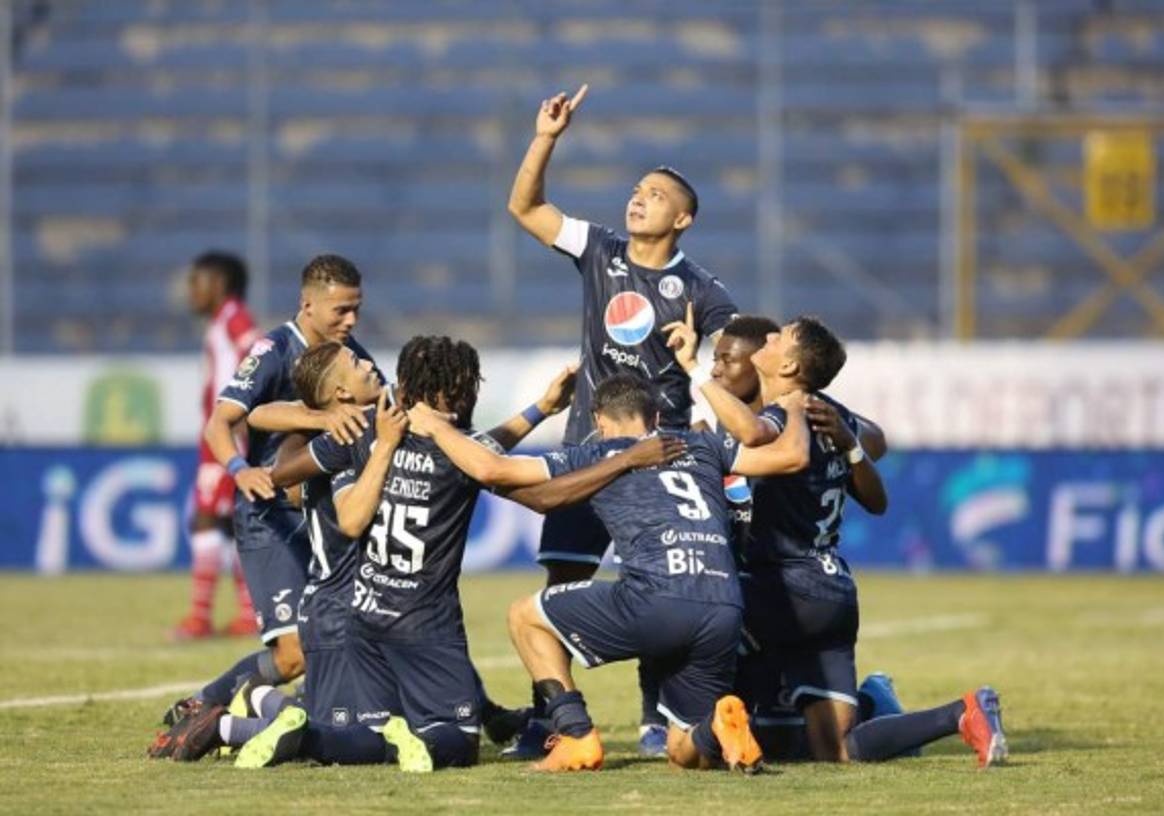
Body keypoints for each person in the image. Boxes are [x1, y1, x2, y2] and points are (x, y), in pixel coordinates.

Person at [220, 337, 685, 771]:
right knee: (458, 741)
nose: (472, 394)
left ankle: (296, 735)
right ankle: (266, 717)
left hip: (363, 616)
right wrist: (625, 459)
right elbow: (535, 491)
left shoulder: (365, 430)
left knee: (365, 733)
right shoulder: (458, 453)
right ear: (450, 393)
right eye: (467, 386)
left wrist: (541, 408)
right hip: (424, 624)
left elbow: (284, 470)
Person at [407, 373, 814, 773]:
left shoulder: (599, 454)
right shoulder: (702, 444)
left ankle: (575, 735)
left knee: (525, 617)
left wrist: (437, 429)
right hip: (723, 607)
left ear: (599, 421)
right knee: (683, 751)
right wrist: (795, 409)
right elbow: (792, 456)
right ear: (656, 417)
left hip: (656, 600)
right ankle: (717, 728)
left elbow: (492, 469)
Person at [506, 83, 739, 756]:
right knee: (562, 580)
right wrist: (546, 137)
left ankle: (656, 720)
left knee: (661, 582)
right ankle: (554, 722)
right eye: (637, 190)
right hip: (588, 449)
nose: (639, 199)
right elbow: (525, 208)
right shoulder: (599, 249)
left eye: (656, 195)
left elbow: (743, 355)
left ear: (683, 219)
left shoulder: (701, 290)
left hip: (659, 462)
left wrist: (705, 362)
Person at [670, 314, 1010, 768]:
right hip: (830, 590)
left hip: (776, 589)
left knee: (693, 624)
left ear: (789, 366)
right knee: (836, 750)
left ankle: (677, 730)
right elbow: (878, 467)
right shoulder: (829, 412)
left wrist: (693, 369)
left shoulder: (784, 414)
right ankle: (961, 712)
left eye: (779, 337)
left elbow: (752, 434)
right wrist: (850, 443)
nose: (770, 336)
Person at [154, 255, 380, 740]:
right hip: (270, 516)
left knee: (360, 633)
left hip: (325, 518)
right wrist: (239, 469)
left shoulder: (352, 355)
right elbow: (222, 422)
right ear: (308, 304)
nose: (351, 320)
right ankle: (205, 705)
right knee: (293, 655)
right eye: (341, 310)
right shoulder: (274, 349)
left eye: (356, 309)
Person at [173, 251, 261, 641]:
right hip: (222, 435)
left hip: (228, 437)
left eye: (197, 282)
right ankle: (248, 615)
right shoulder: (222, 321)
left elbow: (256, 350)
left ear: (220, 284)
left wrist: (242, 414)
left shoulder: (233, 317)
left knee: (207, 518)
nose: (191, 291)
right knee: (230, 522)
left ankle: (200, 617)